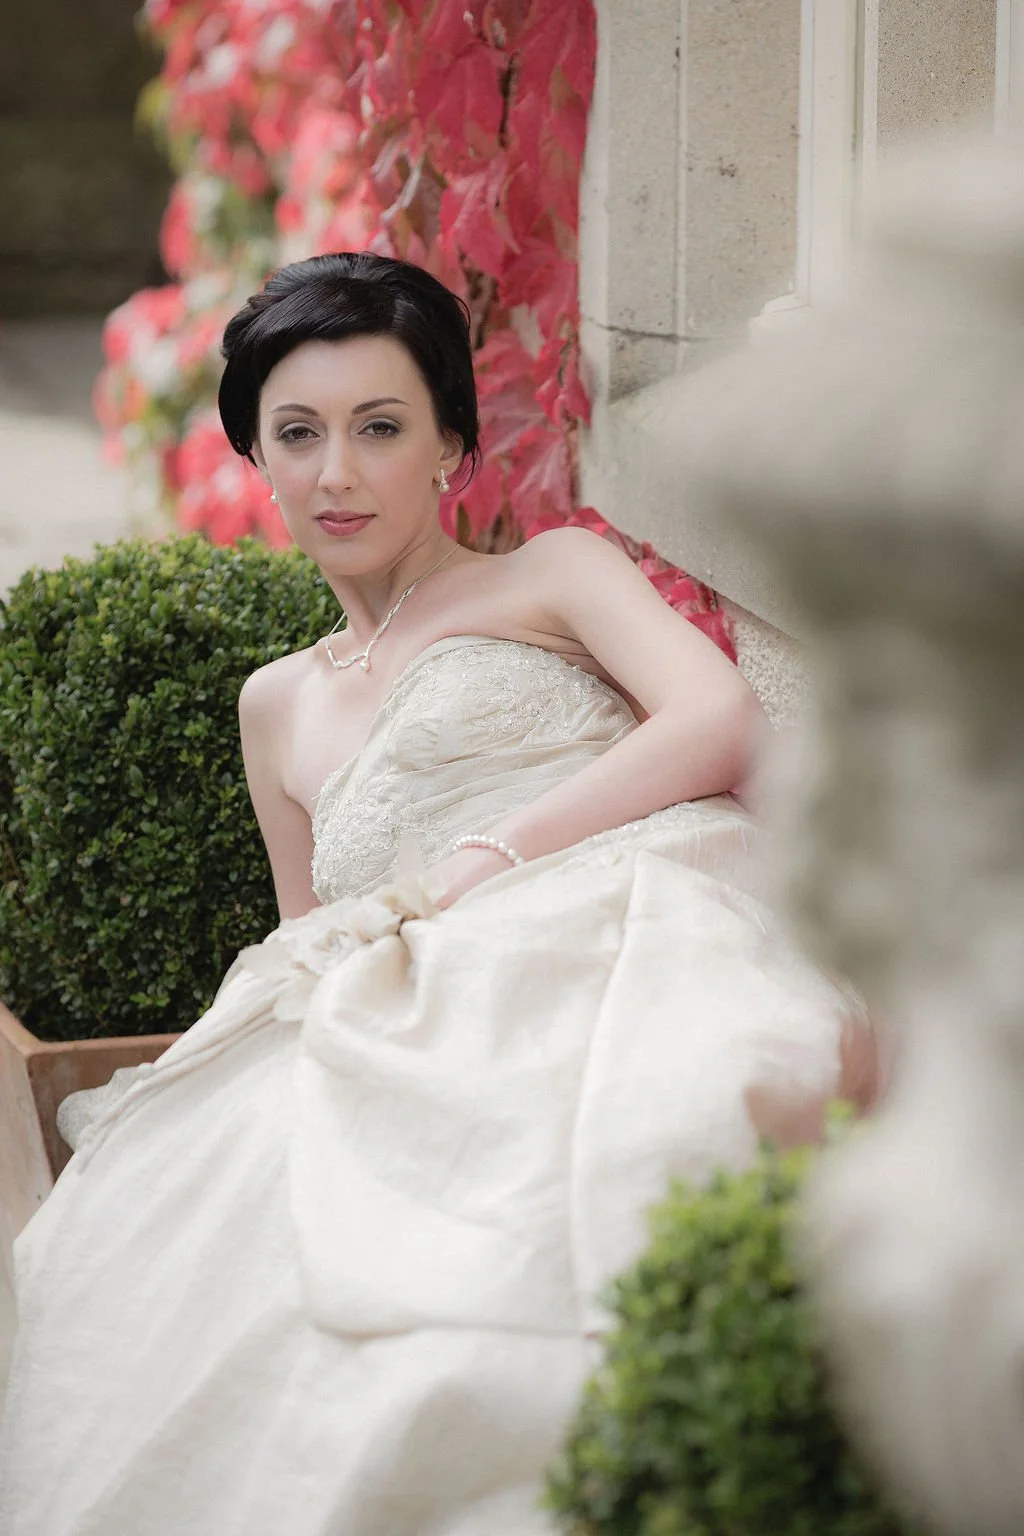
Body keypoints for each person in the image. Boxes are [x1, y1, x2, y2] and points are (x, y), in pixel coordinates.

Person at [0, 253, 871, 1536]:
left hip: (630, 919)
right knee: (194, 1239)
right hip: (409, 997)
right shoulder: (275, 704)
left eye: (380, 428)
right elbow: (306, 940)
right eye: (297, 433)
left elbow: (718, 714)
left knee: (656, 1125)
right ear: (255, 452)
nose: (337, 473)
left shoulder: (551, 575)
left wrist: (492, 856)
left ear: (451, 446)